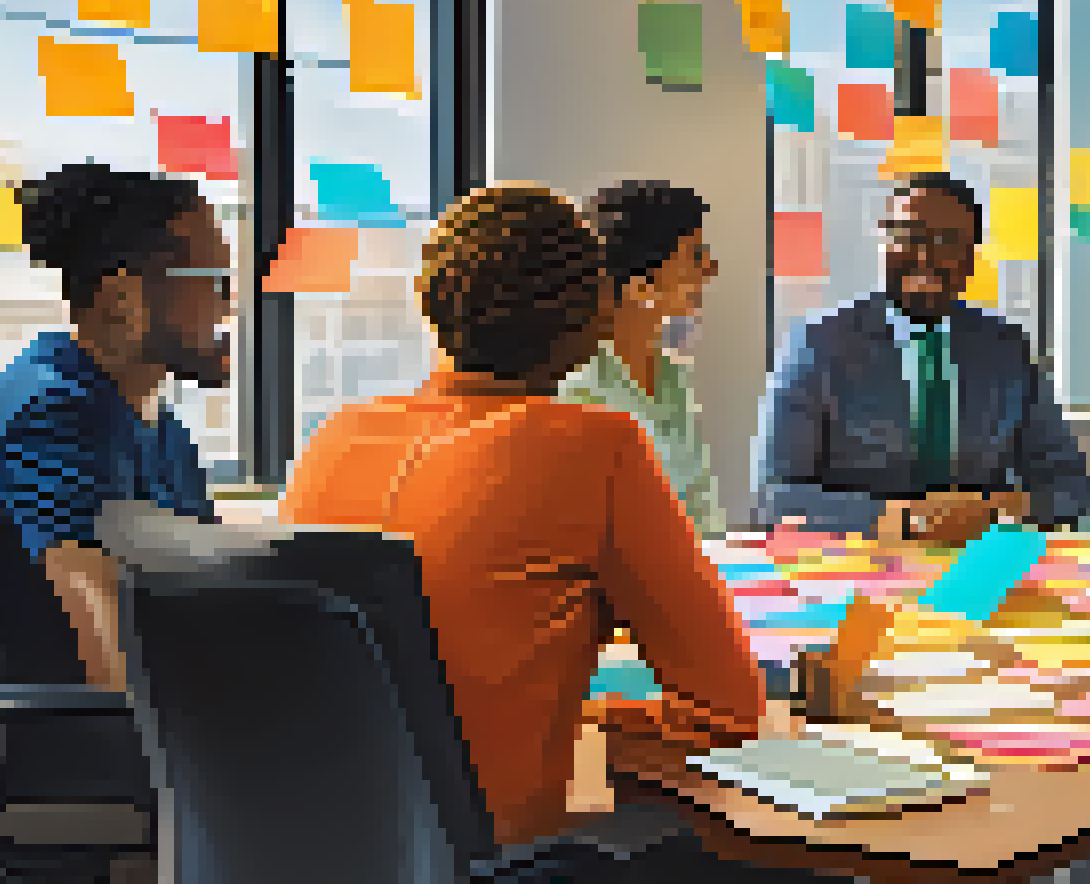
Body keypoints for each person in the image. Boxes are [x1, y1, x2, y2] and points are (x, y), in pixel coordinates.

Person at [279, 184, 770, 851]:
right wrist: (584, 717)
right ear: (593, 316)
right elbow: (728, 706)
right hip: (490, 855)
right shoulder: (596, 446)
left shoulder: (335, 437)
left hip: (305, 845)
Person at [0, 163, 234, 693]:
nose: (228, 303)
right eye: (210, 281)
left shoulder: (154, 422)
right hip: (96, 750)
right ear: (122, 299)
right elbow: (113, 656)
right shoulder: (53, 415)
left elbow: (210, 590)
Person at [755, 172, 1090, 543]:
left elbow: (1071, 485)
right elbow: (773, 497)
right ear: (884, 241)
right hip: (856, 571)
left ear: (971, 258)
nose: (925, 256)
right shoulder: (816, 344)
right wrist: (909, 520)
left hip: (978, 569)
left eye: (948, 241)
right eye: (909, 236)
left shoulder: (1006, 347)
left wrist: (997, 511)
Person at [561, 180, 725, 539]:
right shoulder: (576, 391)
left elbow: (704, 517)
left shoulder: (671, 377)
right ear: (641, 286)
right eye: (695, 256)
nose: (711, 269)